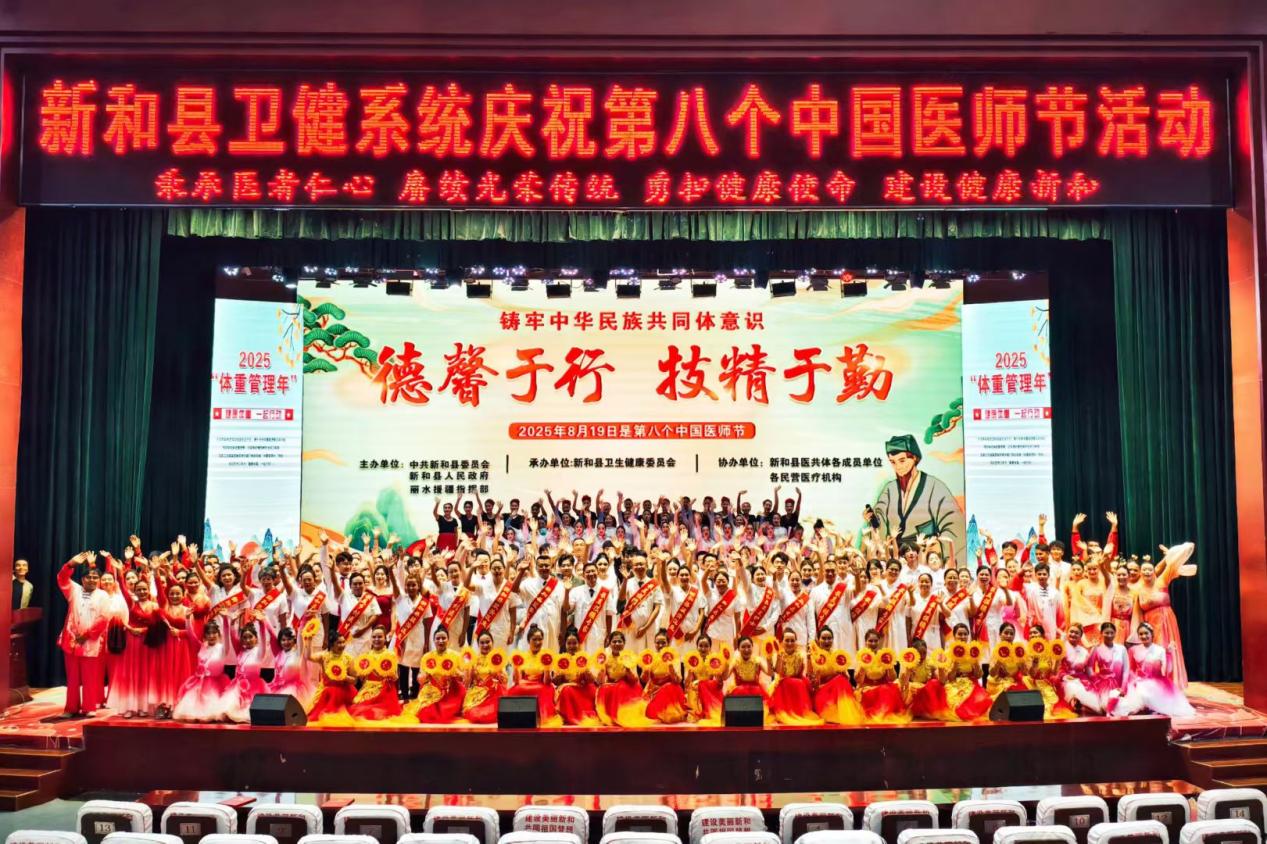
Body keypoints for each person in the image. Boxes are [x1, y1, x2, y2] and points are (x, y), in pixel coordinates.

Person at [873, 434, 966, 556]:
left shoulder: (934, 486)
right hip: (895, 555)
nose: (898, 466)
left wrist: (938, 547)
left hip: (925, 554)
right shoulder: (889, 489)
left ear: (914, 458)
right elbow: (880, 514)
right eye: (893, 462)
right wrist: (873, 519)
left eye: (902, 461)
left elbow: (953, 523)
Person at [56, 553, 111, 719]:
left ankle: (89, 707)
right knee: (72, 678)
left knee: (89, 677)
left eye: (95, 577)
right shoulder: (74, 590)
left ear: (99, 580)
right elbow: (62, 578)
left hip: (90, 642)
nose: (92, 580)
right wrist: (70, 564)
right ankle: (71, 708)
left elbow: (103, 618)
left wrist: (86, 635)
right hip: (71, 640)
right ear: (82, 579)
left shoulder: (103, 596)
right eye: (88, 577)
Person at [1136, 543, 1195, 689]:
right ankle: (1154, 684)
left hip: (1165, 621)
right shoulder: (1138, 589)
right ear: (1140, 573)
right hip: (1149, 624)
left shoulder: (1161, 580)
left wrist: (1171, 554)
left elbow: (1185, 551)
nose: (1147, 572)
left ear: (1154, 571)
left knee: (1166, 649)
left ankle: (1169, 683)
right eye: (1144, 570)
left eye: (1150, 569)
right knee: (1152, 653)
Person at [106, 576, 161, 718]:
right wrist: (119, 573)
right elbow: (123, 589)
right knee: (131, 673)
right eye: (139, 589)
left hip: (147, 643)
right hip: (132, 642)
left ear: (148, 590)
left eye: (144, 589)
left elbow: (157, 627)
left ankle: (143, 707)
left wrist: (143, 630)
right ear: (135, 591)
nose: (142, 592)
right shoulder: (130, 603)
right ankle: (129, 707)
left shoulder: (155, 606)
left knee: (145, 674)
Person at [1115, 622, 1195, 717]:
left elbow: (1167, 671)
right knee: (1127, 707)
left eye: (1146, 633)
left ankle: (1151, 706)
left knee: (1155, 701)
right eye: (1141, 634)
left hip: (1156, 683)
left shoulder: (1160, 650)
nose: (1143, 636)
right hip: (1139, 683)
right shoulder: (1134, 650)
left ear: (1152, 634)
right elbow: (1131, 669)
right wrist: (1128, 684)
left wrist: (1169, 654)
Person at [172, 616, 234, 722]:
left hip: (216, 684)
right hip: (199, 683)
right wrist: (187, 619)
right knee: (192, 715)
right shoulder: (201, 647)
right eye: (208, 633)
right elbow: (190, 634)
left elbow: (227, 634)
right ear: (205, 635)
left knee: (211, 713)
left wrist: (225, 619)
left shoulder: (223, 649)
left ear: (219, 634)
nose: (211, 636)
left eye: (214, 633)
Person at [507, 624, 562, 726]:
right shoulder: (522, 656)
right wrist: (516, 667)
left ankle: (543, 718)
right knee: (513, 690)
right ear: (529, 641)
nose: (537, 642)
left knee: (544, 690)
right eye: (534, 639)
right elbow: (516, 681)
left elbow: (547, 682)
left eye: (540, 639)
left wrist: (547, 667)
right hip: (524, 684)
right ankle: (516, 719)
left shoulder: (547, 655)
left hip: (542, 684)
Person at [807, 627, 863, 724]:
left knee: (841, 679)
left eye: (829, 638)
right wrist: (812, 664)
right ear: (818, 639)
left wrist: (843, 673)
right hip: (822, 693)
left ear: (833, 639)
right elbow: (812, 683)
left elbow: (846, 678)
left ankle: (845, 714)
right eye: (824, 638)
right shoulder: (814, 656)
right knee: (840, 680)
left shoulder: (838, 655)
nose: (827, 641)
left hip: (837, 692)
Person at [767, 629, 823, 726]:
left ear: (796, 642)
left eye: (792, 640)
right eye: (787, 640)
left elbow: (806, 673)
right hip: (782, 684)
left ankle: (797, 712)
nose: (790, 643)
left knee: (798, 683)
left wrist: (809, 659)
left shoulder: (801, 655)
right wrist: (780, 658)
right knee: (786, 682)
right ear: (782, 642)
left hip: (797, 684)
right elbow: (779, 672)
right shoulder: (779, 654)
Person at [854, 628, 910, 724]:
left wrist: (889, 665)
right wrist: (863, 665)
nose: (873, 643)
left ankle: (885, 715)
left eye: (876, 641)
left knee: (889, 689)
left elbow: (893, 678)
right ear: (865, 642)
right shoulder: (861, 656)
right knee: (882, 691)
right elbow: (858, 680)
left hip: (883, 688)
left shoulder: (884, 655)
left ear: (879, 641)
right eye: (870, 641)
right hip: (867, 689)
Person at [348, 625, 403, 721]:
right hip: (368, 688)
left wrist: (388, 674)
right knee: (357, 708)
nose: (376, 639)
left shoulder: (390, 655)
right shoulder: (367, 655)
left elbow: (395, 677)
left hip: (384, 689)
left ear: (385, 638)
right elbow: (362, 679)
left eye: (380, 637)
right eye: (374, 637)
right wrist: (361, 674)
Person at [412, 626, 466, 723]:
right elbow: (421, 677)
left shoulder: (456, 656)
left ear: (448, 640)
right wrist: (422, 677)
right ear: (433, 640)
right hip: (431, 690)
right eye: (438, 638)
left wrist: (456, 674)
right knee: (425, 713)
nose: (441, 641)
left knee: (447, 712)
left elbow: (462, 677)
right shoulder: (427, 657)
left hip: (450, 691)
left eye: (443, 638)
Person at [596, 630, 649, 727]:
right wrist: (601, 670)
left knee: (621, 687)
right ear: (609, 643)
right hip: (612, 687)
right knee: (603, 688)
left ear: (624, 643)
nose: (617, 644)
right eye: (614, 641)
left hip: (629, 687)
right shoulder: (605, 659)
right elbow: (600, 682)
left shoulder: (630, 657)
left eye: (619, 641)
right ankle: (609, 717)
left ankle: (622, 716)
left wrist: (627, 669)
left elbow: (634, 680)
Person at [941, 623, 993, 721]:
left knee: (982, 702)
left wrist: (975, 661)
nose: (963, 637)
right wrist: (955, 664)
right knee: (954, 702)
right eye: (960, 634)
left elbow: (978, 675)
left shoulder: (972, 651)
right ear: (954, 636)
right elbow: (950, 678)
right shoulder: (948, 653)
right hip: (954, 684)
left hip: (971, 684)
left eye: (965, 634)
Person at [223, 622, 271, 723]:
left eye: (250, 637)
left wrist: (261, 623)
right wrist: (232, 623)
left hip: (254, 687)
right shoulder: (240, 651)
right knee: (228, 711)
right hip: (238, 686)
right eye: (245, 638)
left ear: (256, 638)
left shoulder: (259, 652)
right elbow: (232, 637)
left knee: (249, 714)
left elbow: (263, 637)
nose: (248, 640)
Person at [564, 561, 614, 655]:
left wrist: (608, 634)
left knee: (597, 661)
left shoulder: (605, 592)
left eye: (593, 571)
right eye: (587, 572)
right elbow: (567, 609)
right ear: (583, 575)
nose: (591, 574)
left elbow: (609, 615)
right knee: (581, 660)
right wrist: (566, 592)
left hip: (599, 634)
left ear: (597, 572)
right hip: (581, 634)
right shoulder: (576, 591)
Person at [1025, 627, 1076, 720]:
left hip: (1045, 685)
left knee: (1051, 709)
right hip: (1031, 684)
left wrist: (1058, 659)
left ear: (1042, 635)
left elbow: (1054, 672)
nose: (1032, 635)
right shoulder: (1026, 651)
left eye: (1035, 632)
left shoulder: (1048, 650)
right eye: (1030, 633)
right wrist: (1035, 662)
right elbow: (1032, 674)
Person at [555, 627, 601, 726]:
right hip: (568, 689)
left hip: (583, 687)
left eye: (574, 643)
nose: (572, 646)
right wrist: (559, 675)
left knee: (592, 689)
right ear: (565, 644)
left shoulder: (584, 658)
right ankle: (571, 717)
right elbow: (555, 681)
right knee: (566, 690)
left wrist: (586, 672)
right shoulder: (560, 659)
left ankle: (584, 716)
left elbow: (591, 680)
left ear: (579, 644)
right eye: (569, 643)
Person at [267, 626, 319, 711]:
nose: (286, 642)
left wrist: (302, 623)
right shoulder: (279, 653)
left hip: (294, 689)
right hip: (278, 687)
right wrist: (264, 621)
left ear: (294, 640)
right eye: (283, 640)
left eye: (289, 639)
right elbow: (272, 634)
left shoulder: (298, 653)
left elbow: (300, 638)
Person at [462, 631, 509, 724]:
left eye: (488, 642)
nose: (485, 645)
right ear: (478, 644)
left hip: (493, 693)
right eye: (482, 643)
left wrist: (498, 670)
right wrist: (467, 668)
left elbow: (505, 680)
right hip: (476, 694)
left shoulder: (497, 658)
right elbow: (467, 682)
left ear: (492, 642)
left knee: (491, 713)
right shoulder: (474, 660)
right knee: (473, 714)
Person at [1084, 621, 1130, 715]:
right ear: (1101, 633)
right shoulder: (1097, 649)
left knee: (1124, 707)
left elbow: (1126, 669)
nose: (1109, 635)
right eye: (1106, 633)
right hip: (1103, 685)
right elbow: (1089, 667)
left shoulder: (1122, 649)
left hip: (1119, 684)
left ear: (1115, 633)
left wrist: (1123, 687)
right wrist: (1095, 680)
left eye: (1112, 633)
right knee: (1106, 706)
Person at [642, 629, 688, 724]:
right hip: (653, 691)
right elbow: (644, 679)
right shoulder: (651, 657)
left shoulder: (674, 657)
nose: (660, 645)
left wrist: (670, 666)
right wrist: (646, 669)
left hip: (671, 692)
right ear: (654, 643)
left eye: (663, 643)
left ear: (668, 643)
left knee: (669, 686)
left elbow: (677, 681)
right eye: (658, 643)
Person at [900, 638, 952, 721]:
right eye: (919, 653)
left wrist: (941, 667)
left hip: (925, 691)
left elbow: (942, 681)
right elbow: (904, 683)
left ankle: (929, 711)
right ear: (914, 652)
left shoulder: (930, 662)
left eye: (924, 653)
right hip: (912, 690)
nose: (922, 656)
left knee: (935, 683)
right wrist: (908, 669)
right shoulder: (907, 662)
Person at [685, 633, 728, 725]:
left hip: (709, 689)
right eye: (700, 646)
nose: (703, 648)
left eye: (706, 646)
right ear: (697, 647)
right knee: (694, 686)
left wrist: (719, 671)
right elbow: (687, 683)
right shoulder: (692, 660)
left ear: (710, 647)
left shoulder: (714, 660)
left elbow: (719, 682)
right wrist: (690, 671)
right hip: (696, 690)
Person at [726, 636, 769, 720]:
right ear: (738, 649)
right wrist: (726, 662)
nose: (746, 650)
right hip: (739, 693)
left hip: (756, 692)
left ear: (753, 647)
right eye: (743, 647)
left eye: (749, 646)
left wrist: (769, 658)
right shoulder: (735, 661)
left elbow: (769, 673)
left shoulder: (758, 660)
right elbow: (725, 677)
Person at [1060, 623, 1098, 713]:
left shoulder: (1084, 651)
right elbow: (1057, 666)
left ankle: (1086, 706)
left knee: (1092, 695)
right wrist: (1063, 676)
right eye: (1071, 632)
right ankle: (1075, 703)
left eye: (1076, 633)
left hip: (1081, 678)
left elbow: (1087, 670)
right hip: (1065, 678)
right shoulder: (1061, 646)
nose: (1073, 634)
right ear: (1067, 633)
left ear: (1080, 636)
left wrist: (1095, 680)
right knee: (1071, 687)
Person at [986, 622, 1032, 698]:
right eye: (1006, 633)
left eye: (1011, 634)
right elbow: (992, 674)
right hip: (998, 683)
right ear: (1000, 634)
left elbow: (1025, 673)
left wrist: (1021, 660)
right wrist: (999, 661)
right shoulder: (996, 650)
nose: (1009, 636)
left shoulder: (1018, 650)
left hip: (1014, 682)